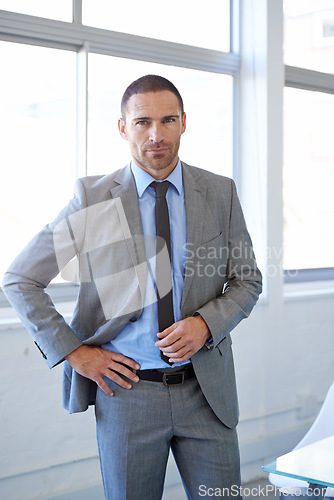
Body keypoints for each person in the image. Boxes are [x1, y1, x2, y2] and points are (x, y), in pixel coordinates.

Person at [2, 75, 262, 500]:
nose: (156, 135)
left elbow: (248, 279)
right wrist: (75, 353)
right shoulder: (93, 198)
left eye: (168, 120)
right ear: (123, 128)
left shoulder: (219, 193)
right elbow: (21, 278)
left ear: (183, 123)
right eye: (142, 122)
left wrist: (205, 324)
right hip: (128, 396)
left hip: (206, 392)